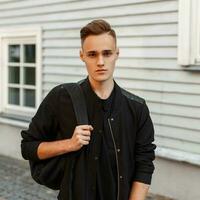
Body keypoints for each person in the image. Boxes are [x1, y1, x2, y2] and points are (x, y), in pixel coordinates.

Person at [21, 19, 156, 200]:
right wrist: (69, 144)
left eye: (107, 53)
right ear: (82, 56)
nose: (100, 61)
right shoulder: (61, 97)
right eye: (92, 54)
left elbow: (144, 164)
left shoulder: (137, 108)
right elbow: (28, 147)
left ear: (117, 54)